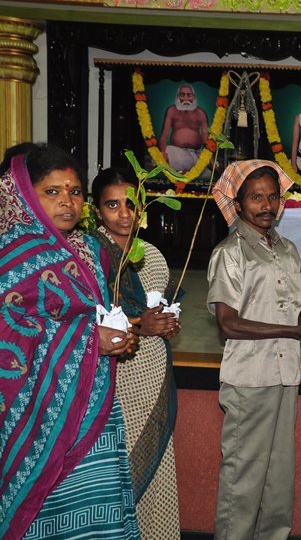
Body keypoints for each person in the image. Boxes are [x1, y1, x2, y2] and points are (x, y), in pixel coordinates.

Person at [0, 144, 139, 539]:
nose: (67, 201)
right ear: (26, 193)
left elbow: (99, 316)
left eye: (75, 192)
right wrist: (91, 339)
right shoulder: (11, 253)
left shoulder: (92, 251)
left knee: (96, 509)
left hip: (92, 409)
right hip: (36, 416)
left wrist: (118, 337)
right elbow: (8, 327)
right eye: (52, 191)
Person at [208, 159, 301, 540]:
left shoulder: (286, 248)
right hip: (249, 378)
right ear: (237, 204)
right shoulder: (230, 252)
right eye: (255, 198)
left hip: (285, 375)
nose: (266, 206)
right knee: (243, 478)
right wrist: (295, 331)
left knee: (279, 476)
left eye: (272, 197)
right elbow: (227, 323)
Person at [90, 167, 182, 540]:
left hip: (151, 374)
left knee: (156, 468)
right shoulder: (89, 255)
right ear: (96, 211)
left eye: (132, 204)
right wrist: (139, 325)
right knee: (117, 469)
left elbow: (154, 314)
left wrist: (166, 324)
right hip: (114, 379)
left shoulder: (155, 257)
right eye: (112, 205)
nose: (124, 214)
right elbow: (88, 321)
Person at [158, 83, 209, 172]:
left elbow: (206, 138)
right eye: (182, 95)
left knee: (205, 171)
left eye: (189, 95)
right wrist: (163, 152)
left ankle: (185, 169)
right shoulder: (171, 111)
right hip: (176, 152)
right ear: (178, 97)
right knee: (168, 150)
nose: (186, 99)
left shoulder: (201, 113)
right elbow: (164, 136)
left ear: (194, 97)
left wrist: (205, 156)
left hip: (195, 154)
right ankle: (184, 169)